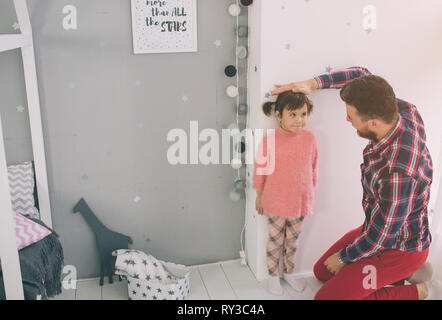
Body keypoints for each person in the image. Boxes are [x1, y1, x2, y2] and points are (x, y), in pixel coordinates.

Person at [271, 66, 441, 300]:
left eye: (351, 114)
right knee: (321, 272)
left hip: (398, 248)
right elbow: (361, 74)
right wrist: (312, 83)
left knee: (325, 298)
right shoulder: (405, 111)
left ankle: (418, 290)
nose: (347, 118)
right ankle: (404, 274)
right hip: (378, 229)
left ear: (372, 123)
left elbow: (383, 237)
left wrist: (344, 258)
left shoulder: (398, 172)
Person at [253, 91, 318, 295]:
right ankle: (273, 277)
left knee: (292, 241)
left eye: (303, 114)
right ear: (279, 115)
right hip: (275, 200)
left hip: (300, 201)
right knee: (275, 241)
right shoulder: (270, 140)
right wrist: (258, 196)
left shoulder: (310, 138)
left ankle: (289, 273)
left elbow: (313, 167)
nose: (299, 120)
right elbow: (260, 170)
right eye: (293, 115)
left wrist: (310, 193)